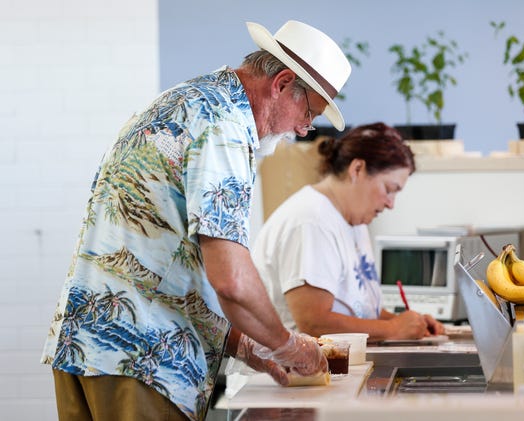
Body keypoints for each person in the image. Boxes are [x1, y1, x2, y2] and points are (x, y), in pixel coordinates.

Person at [40, 20, 352, 421]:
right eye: (309, 112)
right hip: (144, 359)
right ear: (282, 83)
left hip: (87, 344)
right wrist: (286, 345)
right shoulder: (225, 129)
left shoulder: (189, 100)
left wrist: (244, 344)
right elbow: (231, 280)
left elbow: (166, 256)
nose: (303, 129)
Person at [252, 123, 445, 342]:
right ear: (357, 170)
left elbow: (357, 310)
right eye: (388, 190)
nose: (391, 204)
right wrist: (393, 329)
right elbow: (314, 322)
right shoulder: (311, 220)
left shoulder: (354, 221)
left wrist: (409, 323)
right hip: (281, 374)